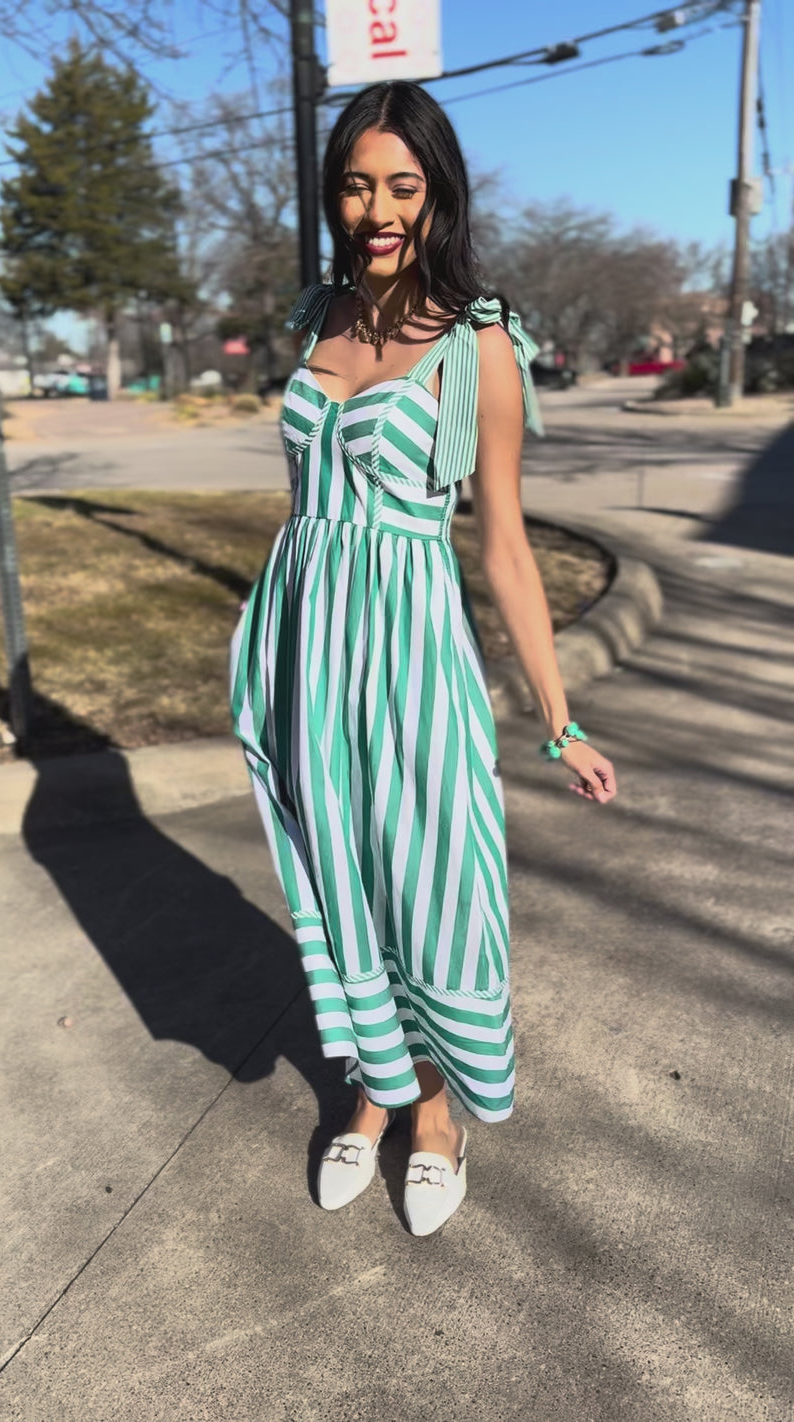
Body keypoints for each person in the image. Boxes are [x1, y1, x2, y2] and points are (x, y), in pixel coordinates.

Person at [230, 80, 616, 1237]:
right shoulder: (319, 316)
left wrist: (559, 718)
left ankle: (434, 1114)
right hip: (310, 640)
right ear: (335, 196)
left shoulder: (477, 342)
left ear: (437, 193)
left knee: (424, 879)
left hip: (407, 645)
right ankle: (370, 1092)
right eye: (356, 183)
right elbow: (307, 496)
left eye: (402, 184)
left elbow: (501, 541)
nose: (378, 207)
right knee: (339, 873)